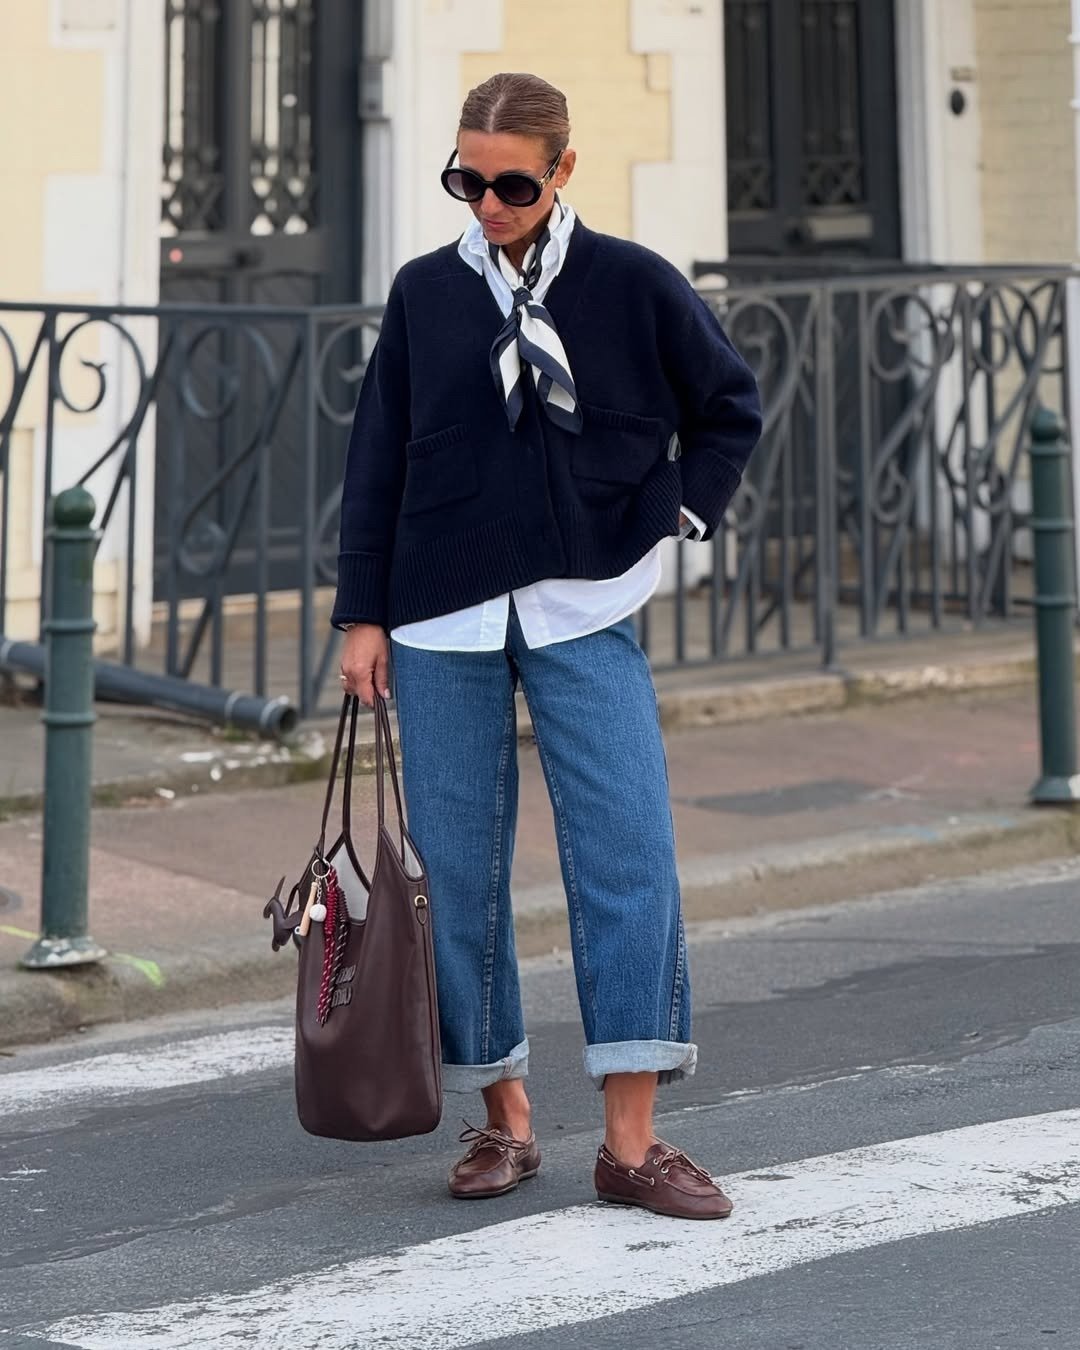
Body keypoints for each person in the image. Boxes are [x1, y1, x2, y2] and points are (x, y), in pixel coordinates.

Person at [334, 72, 761, 1219]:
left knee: (629, 854)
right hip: (440, 616)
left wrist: (677, 510)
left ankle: (631, 1143)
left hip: (585, 605)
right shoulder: (427, 293)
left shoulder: (631, 284)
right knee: (459, 878)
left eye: (510, 183)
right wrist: (361, 613)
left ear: (562, 170)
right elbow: (378, 458)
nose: (486, 202)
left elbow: (729, 405)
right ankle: (501, 1118)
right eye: (465, 179)